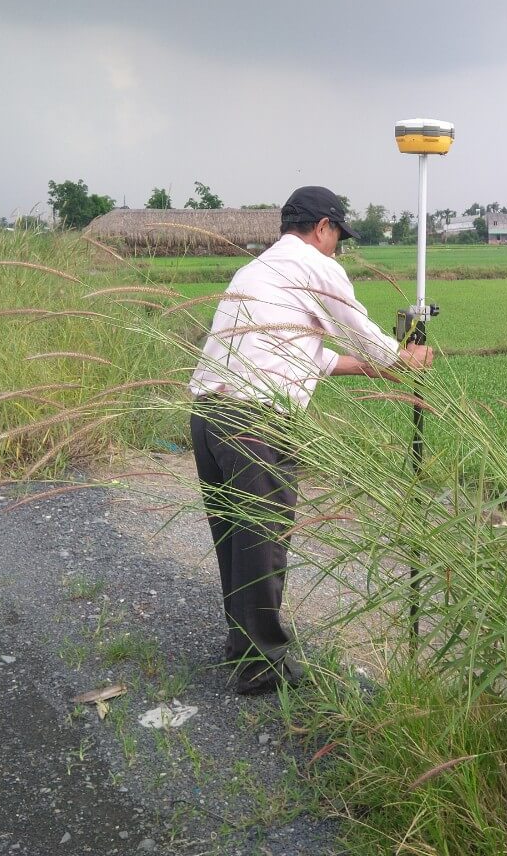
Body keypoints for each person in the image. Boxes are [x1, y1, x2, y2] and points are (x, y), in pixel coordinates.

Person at [189, 185, 433, 694]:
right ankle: (261, 667)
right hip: (255, 421)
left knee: (234, 539)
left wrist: (371, 368)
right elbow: (360, 329)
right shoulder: (314, 265)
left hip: (209, 414)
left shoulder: (256, 270)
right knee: (263, 541)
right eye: (337, 237)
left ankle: (244, 646)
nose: (337, 248)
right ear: (323, 226)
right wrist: (400, 358)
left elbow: (308, 354)